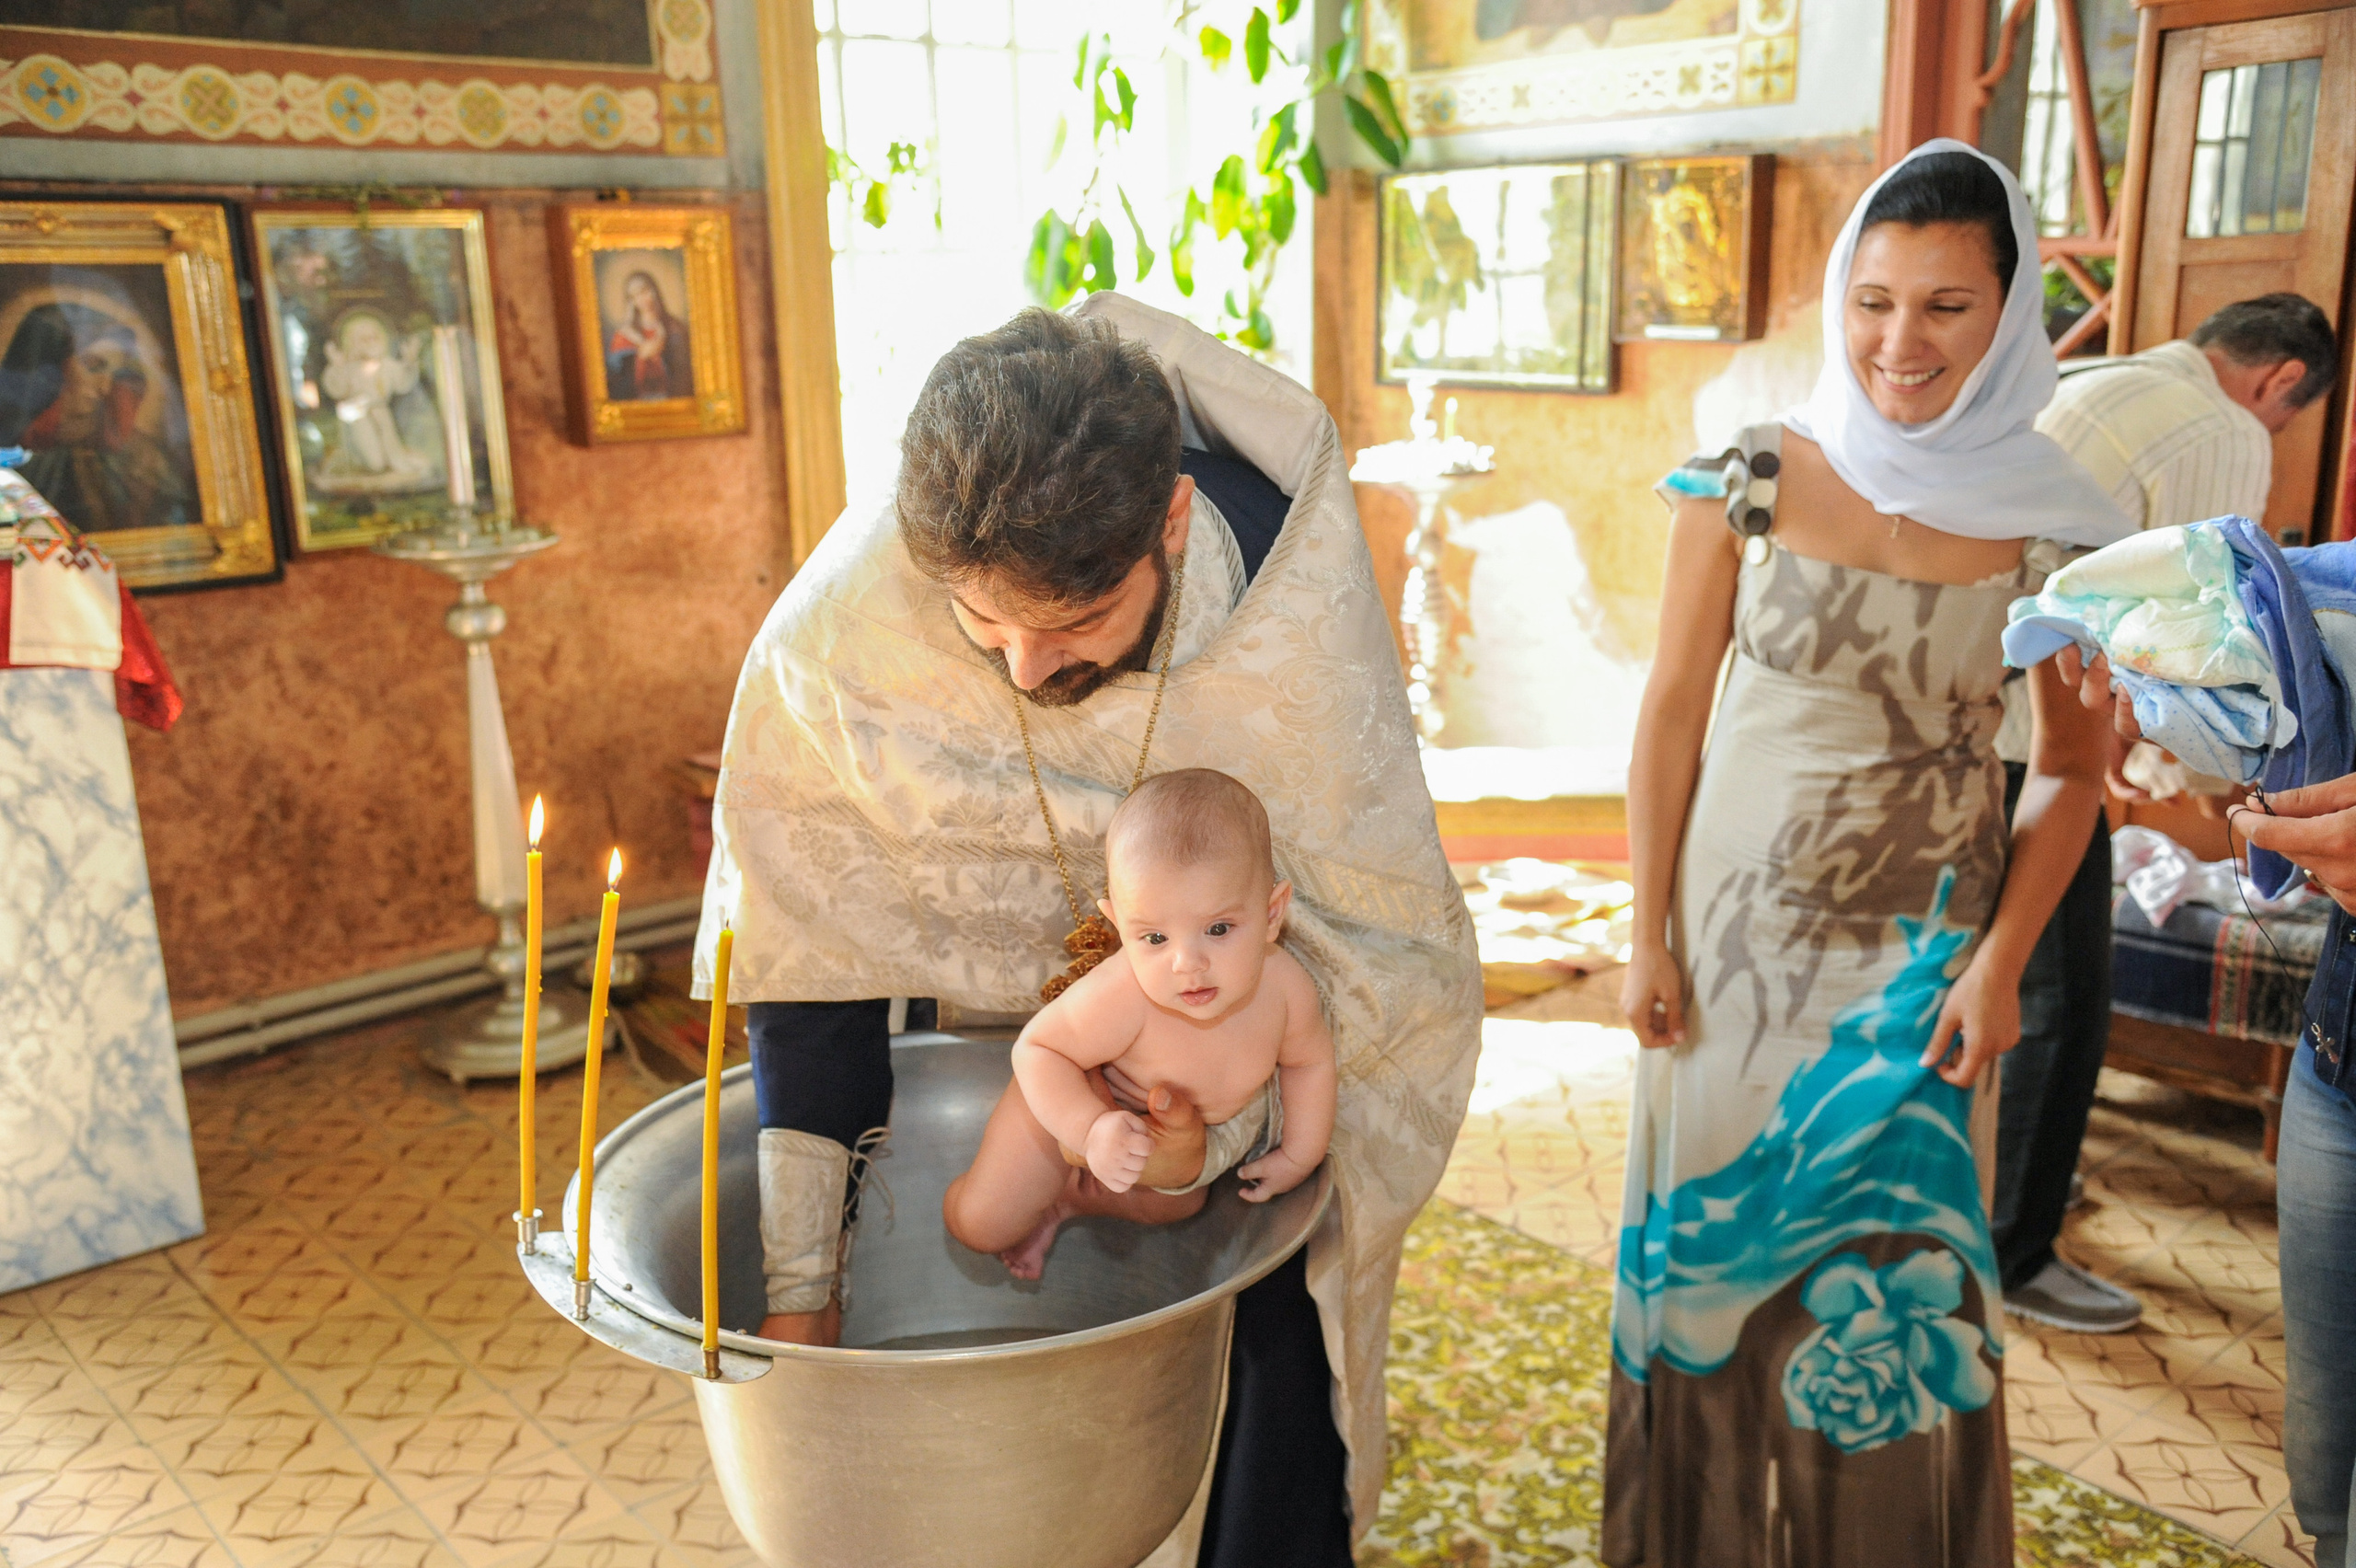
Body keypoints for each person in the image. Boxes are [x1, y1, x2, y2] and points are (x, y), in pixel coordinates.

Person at [696, 296, 1481, 1566]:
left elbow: (1372, 946)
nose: (1019, 671)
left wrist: (1203, 1139)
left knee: (1274, 1362)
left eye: (1067, 627)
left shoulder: (1282, 592)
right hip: (1004, 1056)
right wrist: (801, 1293)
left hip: (1237, 1044)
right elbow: (815, 941)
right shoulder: (850, 633)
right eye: (982, 623)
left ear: (1169, 522)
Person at [1610, 140, 2130, 1567]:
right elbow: (1667, 714)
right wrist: (1644, 926)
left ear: (2011, 310)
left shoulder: (2059, 528)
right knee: (1719, 1255)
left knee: (1895, 1285)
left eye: (1947, 307)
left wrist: (2003, 967)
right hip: (1731, 949)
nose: (1901, 343)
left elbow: (2076, 774)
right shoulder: (1749, 478)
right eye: (1875, 301)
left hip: (1923, 973)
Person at [1989, 291, 2340, 1334]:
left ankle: (2003, 1192)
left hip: (1963, 721)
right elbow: (2191, 630)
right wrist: (2161, 763)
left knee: (1988, 980)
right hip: (2036, 741)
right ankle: (2012, 1247)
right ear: (2277, 386)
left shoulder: (2100, 377)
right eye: (2284, 417)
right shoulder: (2224, 428)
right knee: (2061, 998)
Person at [942, 768, 1335, 1279]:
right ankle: (977, 1189)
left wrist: (1301, 1154)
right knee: (983, 1226)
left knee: (1178, 1205)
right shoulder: (1122, 993)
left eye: (1218, 929)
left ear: (1271, 912)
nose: (1187, 964)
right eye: (1154, 938)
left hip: (1159, 1136)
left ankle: (1069, 1201)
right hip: (1076, 1091)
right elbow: (1038, 1050)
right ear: (1116, 923)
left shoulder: (1286, 989)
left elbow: (1310, 1062)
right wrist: (1088, 1128)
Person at [0, 300, 197, 535]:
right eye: (93, 365)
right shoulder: (16, 459)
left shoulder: (134, 460)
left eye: (118, 372)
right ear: (50, 365)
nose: (106, 388)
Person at [605, 271, 691, 401]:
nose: (642, 299)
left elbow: (686, 375)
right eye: (635, 296)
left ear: (655, 291)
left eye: (644, 291)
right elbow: (616, 383)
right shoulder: (623, 336)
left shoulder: (675, 329)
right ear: (631, 301)